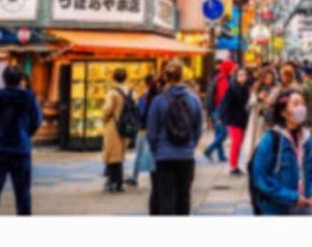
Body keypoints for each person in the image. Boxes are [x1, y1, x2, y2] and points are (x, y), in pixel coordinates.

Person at [0, 64, 40, 216]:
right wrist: (26, 133)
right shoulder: (28, 97)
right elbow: (36, 121)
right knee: (23, 193)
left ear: (4, 80)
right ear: (21, 80)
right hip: (20, 148)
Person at [249, 88, 312, 215]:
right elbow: (260, 177)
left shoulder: (306, 139)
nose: (301, 108)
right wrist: (291, 197)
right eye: (295, 104)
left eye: (303, 104)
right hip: (275, 208)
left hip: (302, 206)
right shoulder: (271, 139)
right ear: (283, 112)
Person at [145, 60, 205, 215]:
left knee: (166, 198)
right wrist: (191, 145)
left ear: (166, 76)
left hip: (163, 156)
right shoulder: (194, 99)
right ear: (182, 76)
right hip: (186, 156)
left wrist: (156, 149)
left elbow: (151, 132)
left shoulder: (158, 101)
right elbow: (198, 128)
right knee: (183, 197)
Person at [99, 67, 135, 193]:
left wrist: (103, 119)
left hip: (113, 125)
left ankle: (113, 181)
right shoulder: (131, 91)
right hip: (126, 126)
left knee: (112, 154)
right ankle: (118, 181)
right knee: (120, 153)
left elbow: (107, 109)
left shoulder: (112, 92)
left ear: (113, 78)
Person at [218, 64, 254, 177]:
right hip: (233, 120)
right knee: (236, 142)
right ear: (236, 76)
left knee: (239, 143)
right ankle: (232, 166)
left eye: (244, 75)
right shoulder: (232, 89)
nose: (243, 77)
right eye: (240, 75)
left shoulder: (247, 89)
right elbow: (224, 104)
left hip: (243, 120)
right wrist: (222, 117)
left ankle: (235, 165)